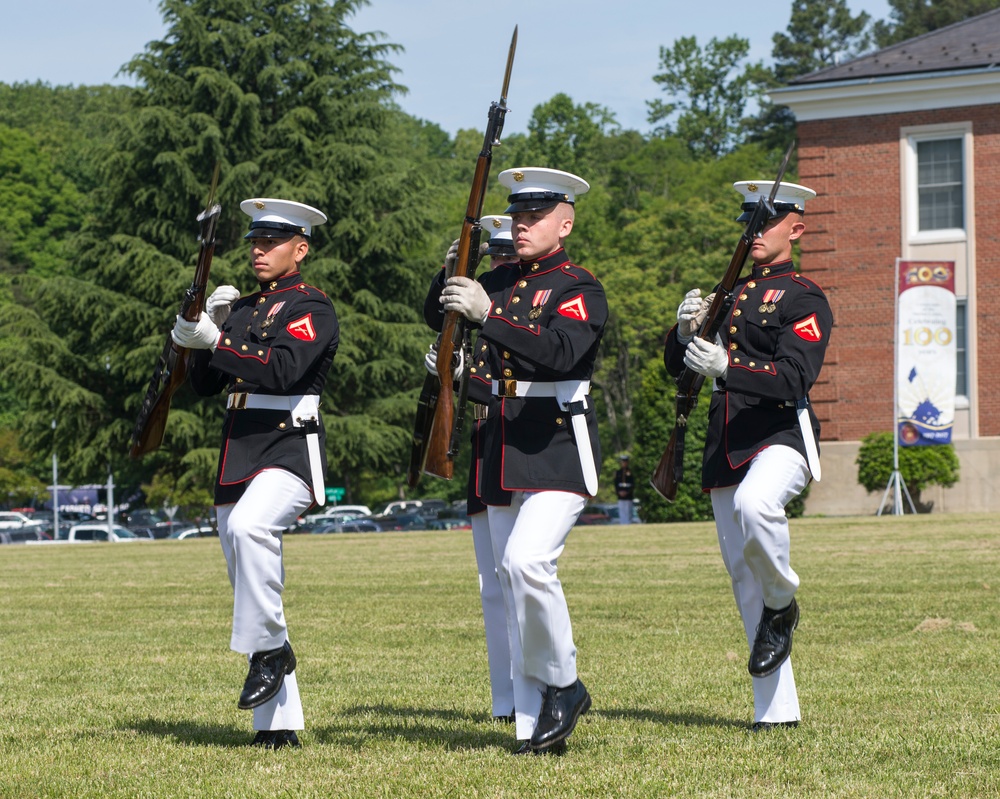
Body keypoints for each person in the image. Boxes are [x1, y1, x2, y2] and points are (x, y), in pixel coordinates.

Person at [426, 168, 607, 755]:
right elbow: (441, 314)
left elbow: (559, 353)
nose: (522, 225)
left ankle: (565, 683)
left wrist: (488, 313)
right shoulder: (499, 279)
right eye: (518, 215)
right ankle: (535, 724)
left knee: (529, 562)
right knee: (507, 578)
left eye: (535, 216)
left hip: (555, 441)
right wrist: (451, 269)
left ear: (565, 222)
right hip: (502, 440)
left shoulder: (580, 287)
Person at [662, 179, 832, 732]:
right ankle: (776, 713)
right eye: (749, 224)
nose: (753, 233)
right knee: (741, 574)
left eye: (766, 223)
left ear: (796, 228)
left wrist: (727, 368)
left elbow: (795, 376)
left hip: (781, 434)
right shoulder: (730, 291)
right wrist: (685, 327)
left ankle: (784, 602)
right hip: (725, 441)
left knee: (758, 506)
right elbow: (677, 365)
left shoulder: (805, 297)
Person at [171, 197, 338, 750]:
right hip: (238, 449)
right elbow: (204, 387)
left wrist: (219, 341)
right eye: (254, 242)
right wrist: (199, 333)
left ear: (301, 248)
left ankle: (269, 653)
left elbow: (283, 369)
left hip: (288, 447)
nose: (259, 250)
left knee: (250, 530)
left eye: (272, 242)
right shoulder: (242, 308)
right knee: (251, 585)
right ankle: (278, 727)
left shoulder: (311, 306)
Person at [423, 214, 518, 722]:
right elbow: (434, 316)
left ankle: (543, 684)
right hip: (485, 439)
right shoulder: (481, 300)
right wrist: (449, 270)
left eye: (505, 256)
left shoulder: (515, 304)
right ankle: (504, 698)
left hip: (525, 439)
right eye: (492, 258)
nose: (500, 265)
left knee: (520, 572)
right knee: (490, 584)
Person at [614, 454, 635, 524]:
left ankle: (628, 524)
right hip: (620, 496)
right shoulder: (618, 472)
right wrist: (619, 492)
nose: (624, 463)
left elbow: (632, 484)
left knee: (628, 512)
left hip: (628, 496)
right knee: (622, 512)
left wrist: (627, 492)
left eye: (625, 462)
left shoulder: (630, 472)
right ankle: (622, 524)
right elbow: (616, 484)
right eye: (623, 462)